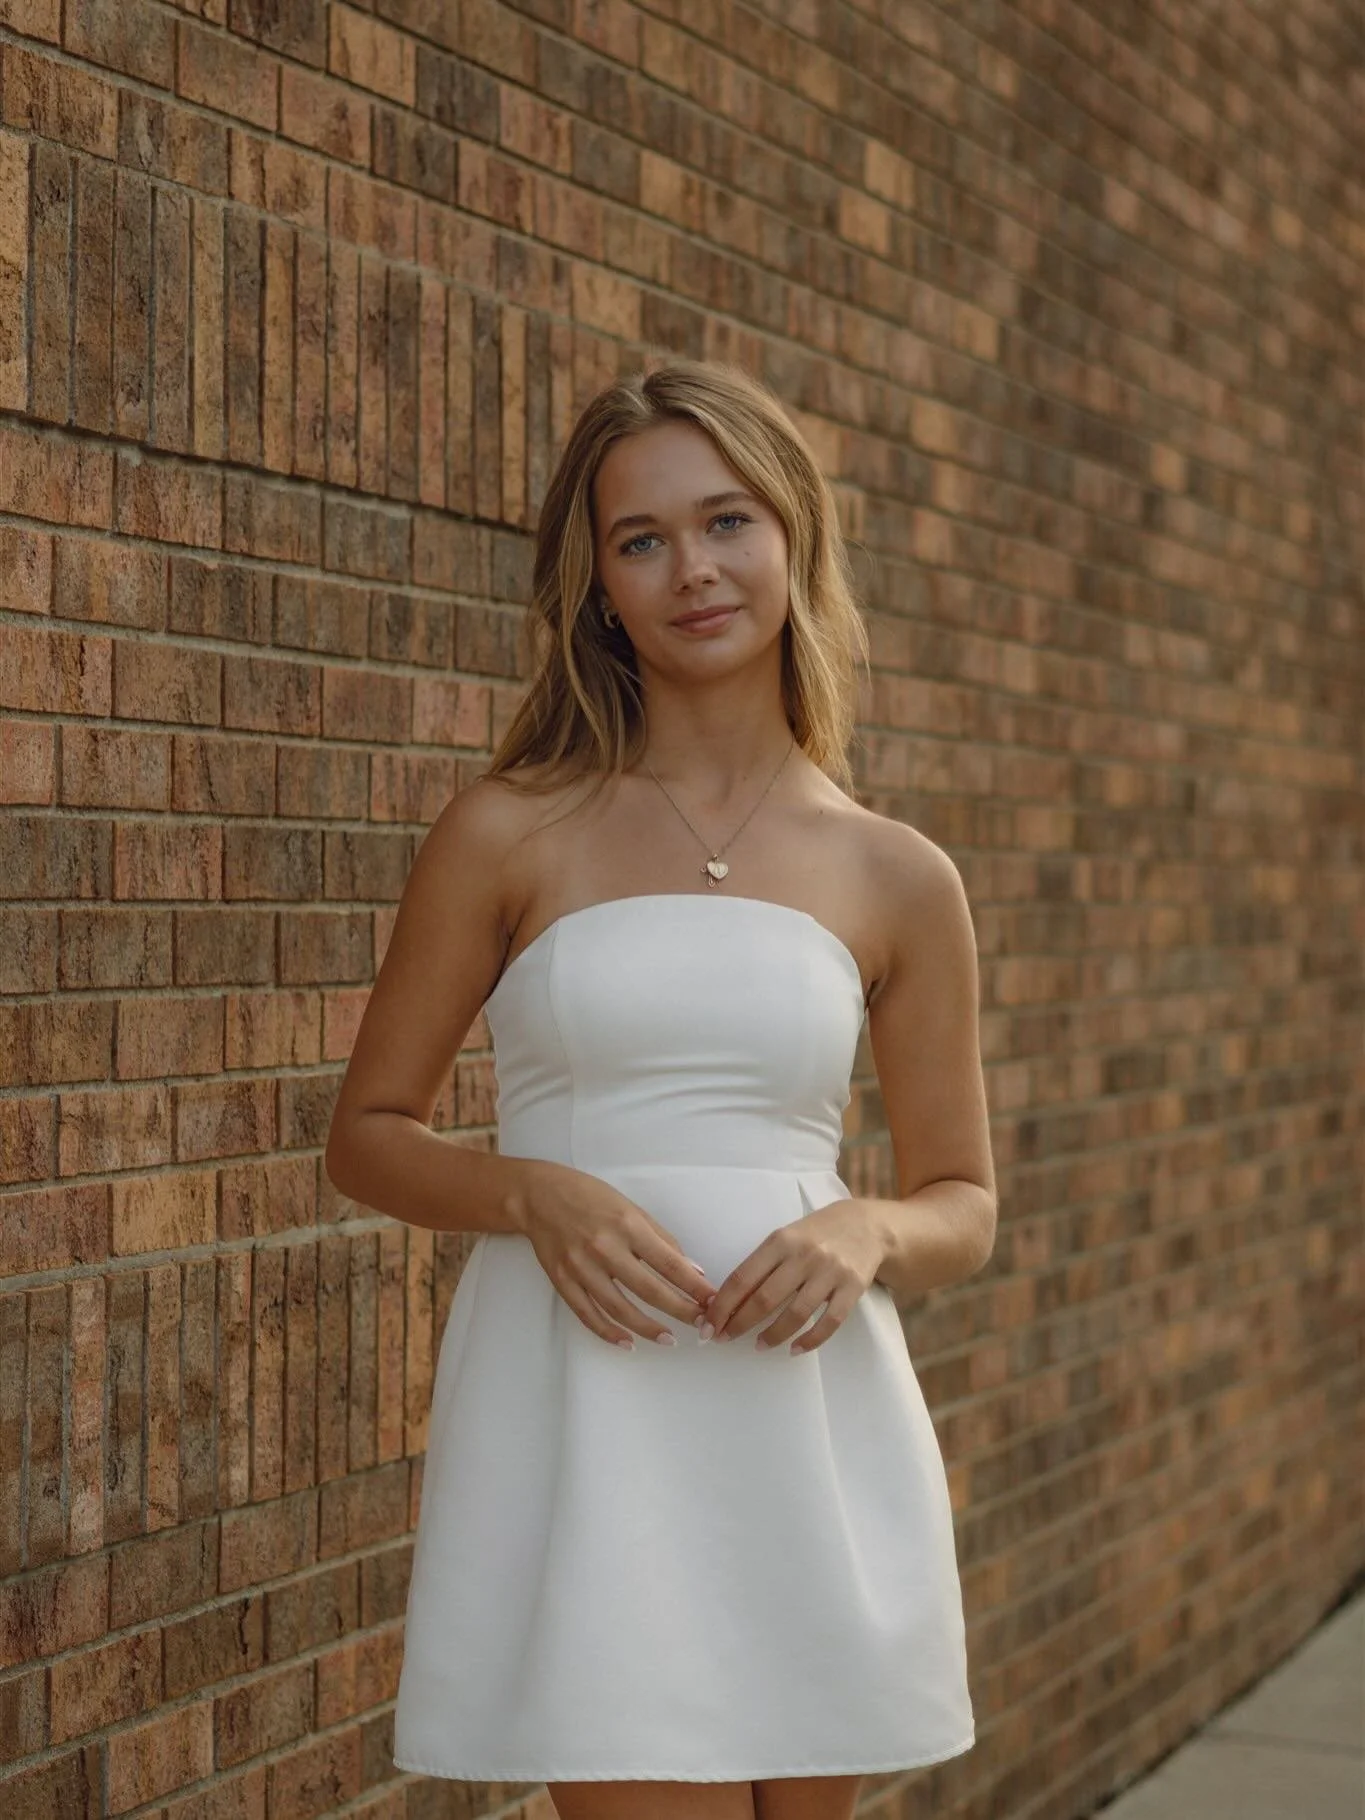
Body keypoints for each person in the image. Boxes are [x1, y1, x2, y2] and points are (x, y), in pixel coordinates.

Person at [324, 358, 996, 1820]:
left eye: (727, 521)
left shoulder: (897, 873)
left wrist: (867, 1231)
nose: (692, 568)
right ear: (600, 588)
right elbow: (365, 1139)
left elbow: (966, 1202)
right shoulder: (509, 830)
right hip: (592, 1404)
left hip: (802, 1407)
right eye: (642, 540)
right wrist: (528, 1190)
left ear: (793, 538)